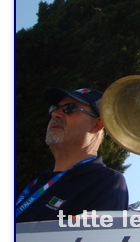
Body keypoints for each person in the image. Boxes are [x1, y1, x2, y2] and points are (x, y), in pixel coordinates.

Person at [16, 87, 129, 223]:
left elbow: (97, 236)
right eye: (54, 108)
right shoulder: (36, 183)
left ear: (97, 124)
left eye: (69, 108)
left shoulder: (106, 182)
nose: (55, 114)